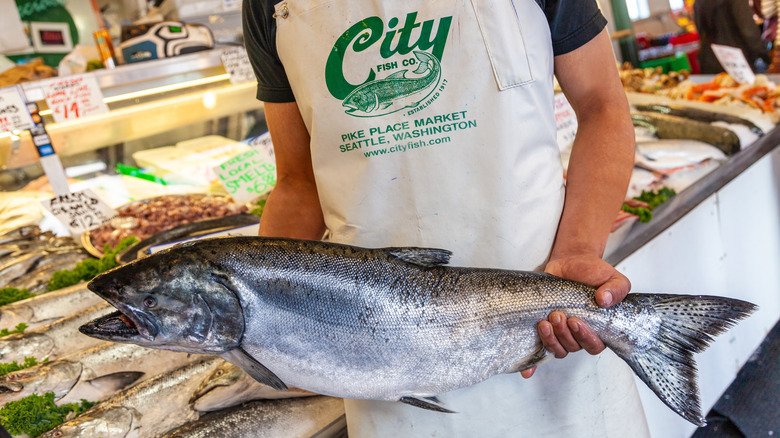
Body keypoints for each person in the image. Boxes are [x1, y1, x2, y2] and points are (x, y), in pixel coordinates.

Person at [242, 0, 649, 436]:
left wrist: (579, 249)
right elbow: (298, 181)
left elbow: (601, 104)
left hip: (545, 326)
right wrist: (253, 307)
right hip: (382, 363)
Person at [694, 0, 770, 73]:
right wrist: (766, 57)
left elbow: (699, 29)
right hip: (736, 61)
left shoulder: (698, 1)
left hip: (709, 59)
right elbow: (749, 31)